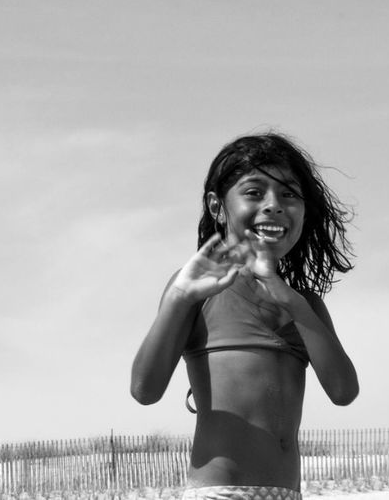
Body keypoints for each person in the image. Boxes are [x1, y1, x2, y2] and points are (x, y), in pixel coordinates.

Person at [129, 132, 359, 500]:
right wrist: (177, 298)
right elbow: (144, 390)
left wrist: (291, 300)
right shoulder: (198, 291)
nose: (274, 205)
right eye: (254, 192)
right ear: (218, 207)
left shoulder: (306, 305)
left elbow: (344, 391)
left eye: (289, 194)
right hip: (221, 493)